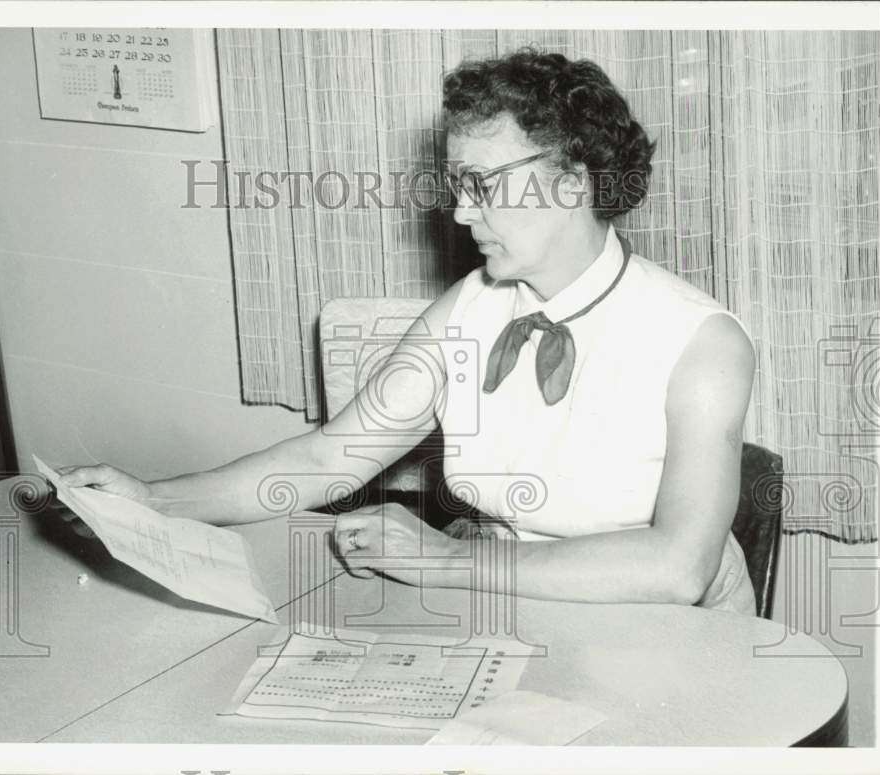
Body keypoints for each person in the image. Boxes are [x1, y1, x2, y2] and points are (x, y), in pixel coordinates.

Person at [59, 49, 757, 615]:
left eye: (481, 184)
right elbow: (330, 459)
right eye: (457, 187)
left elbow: (677, 568)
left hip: (668, 636)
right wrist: (156, 500)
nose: (459, 214)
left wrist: (445, 557)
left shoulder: (701, 343)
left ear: (572, 181)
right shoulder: (470, 309)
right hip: (521, 606)